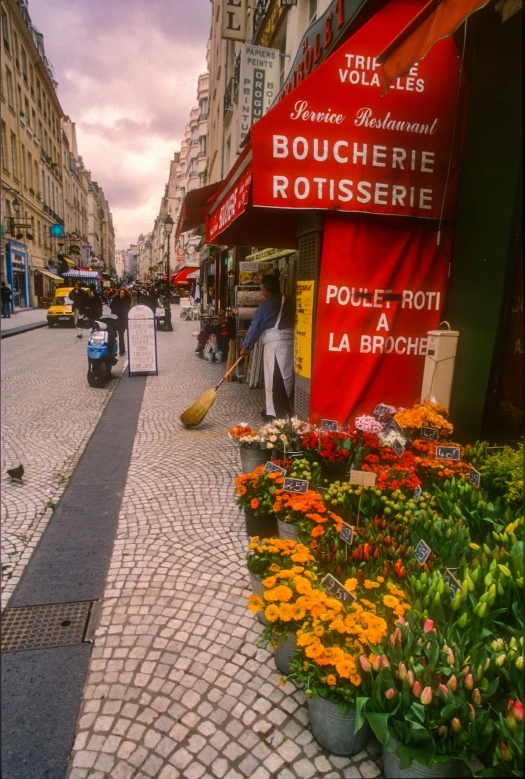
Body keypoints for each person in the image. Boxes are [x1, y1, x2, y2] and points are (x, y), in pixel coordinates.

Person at [240, 274, 294, 420]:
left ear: (265, 290)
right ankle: (275, 410)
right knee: (286, 377)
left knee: (276, 378)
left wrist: (246, 347)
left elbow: (254, 328)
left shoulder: (265, 306)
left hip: (276, 345)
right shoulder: (290, 300)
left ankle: (278, 414)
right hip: (292, 343)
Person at [110, 287, 132, 355]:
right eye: (121, 293)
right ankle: (113, 349)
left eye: (123, 293)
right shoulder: (115, 299)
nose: (122, 294)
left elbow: (126, 310)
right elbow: (111, 307)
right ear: (119, 293)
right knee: (113, 334)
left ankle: (122, 350)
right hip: (114, 319)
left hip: (122, 320)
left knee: (121, 334)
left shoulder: (126, 301)